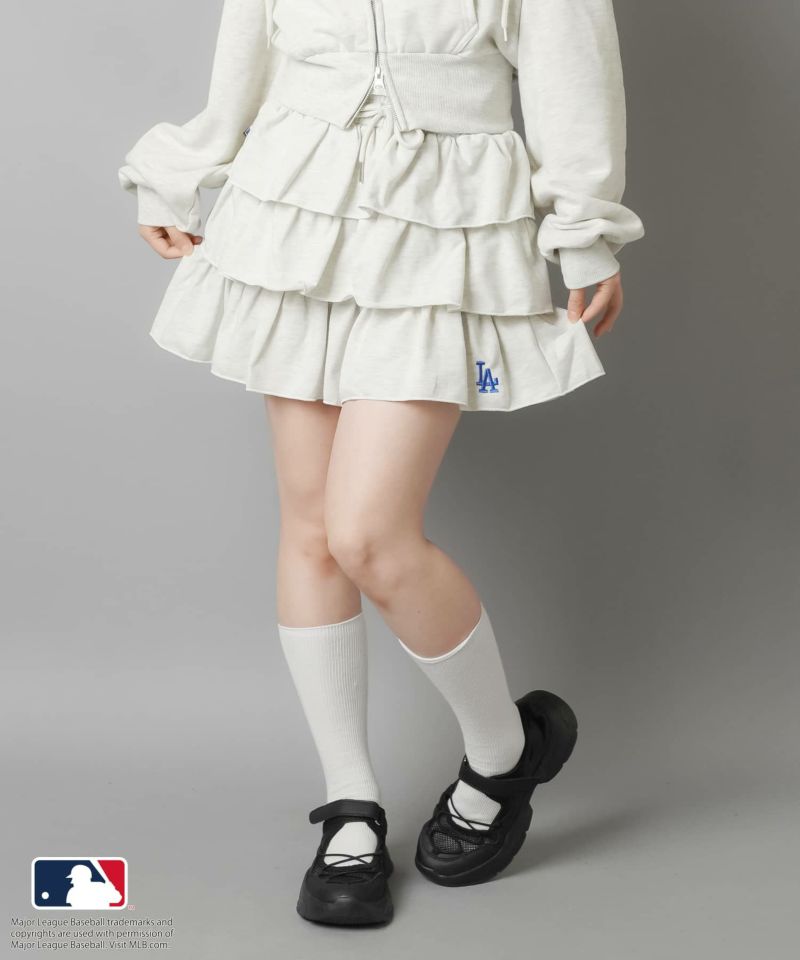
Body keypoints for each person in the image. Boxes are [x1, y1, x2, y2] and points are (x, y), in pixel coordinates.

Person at [119, 0, 644, 927]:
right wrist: (179, 175)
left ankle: (503, 750)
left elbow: (571, 72)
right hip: (296, 204)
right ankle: (350, 802)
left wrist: (584, 228)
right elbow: (248, 52)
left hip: (443, 216)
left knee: (369, 534)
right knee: (312, 531)